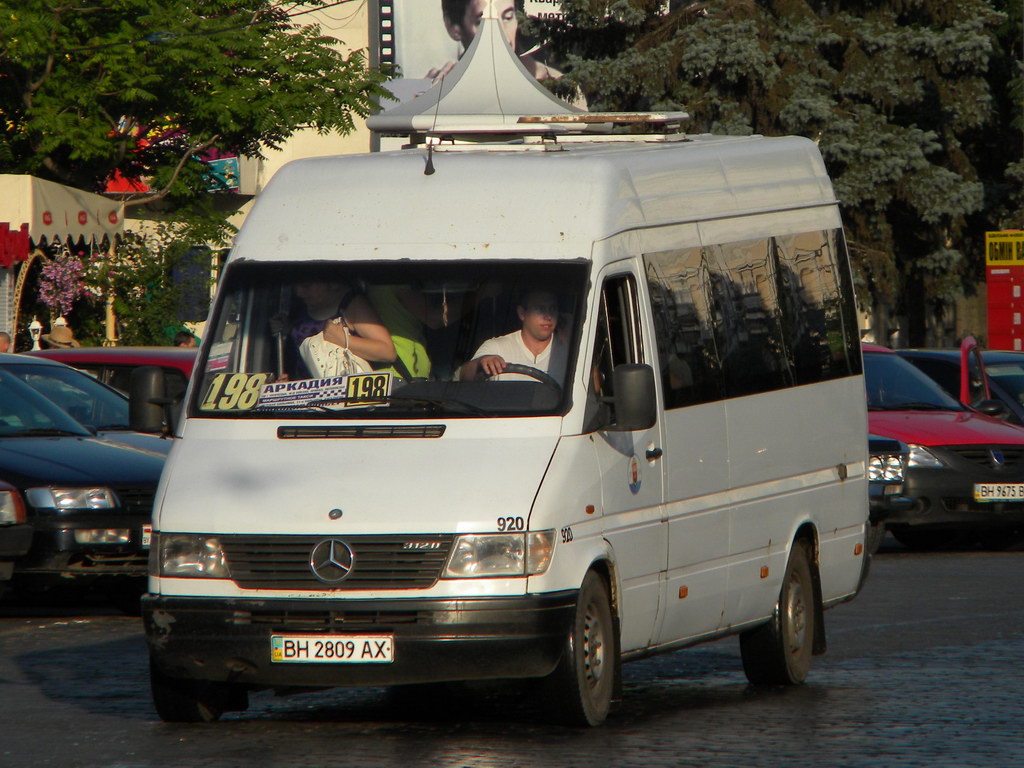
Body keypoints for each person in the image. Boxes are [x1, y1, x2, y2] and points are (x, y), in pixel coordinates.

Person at [271, 280, 396, 379]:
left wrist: (343, 339)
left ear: (330, 282)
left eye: (307, 285)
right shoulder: (301, 307)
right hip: (309, 395)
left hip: (344, 395)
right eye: (294, 286)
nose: (299, 293)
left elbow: (387, 352)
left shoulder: (351, 304)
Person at [428, 0, 567, 83]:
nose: (504, 38)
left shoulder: (556, 86)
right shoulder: (436, 90)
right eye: (484, 22)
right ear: (454, 28)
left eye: (508, 17)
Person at [458, 288, 567, 383]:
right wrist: (480, 363)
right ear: (522, 313)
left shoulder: (569, 352)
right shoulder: (496, 347)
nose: (548, 316)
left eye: (552, 309)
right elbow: (463, 376)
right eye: (540, 309)